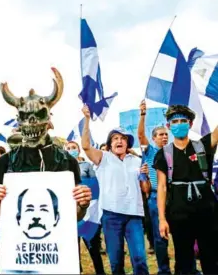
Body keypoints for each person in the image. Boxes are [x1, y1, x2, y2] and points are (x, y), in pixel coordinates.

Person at [0, 68, 91, 260]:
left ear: (49, 118)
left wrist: (83, 205)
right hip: (19, 252)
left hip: (56, 253)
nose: (32, 122)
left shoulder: (67, 161)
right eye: (26, 117)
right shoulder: (4, 162)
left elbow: (75, 215)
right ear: (18, 121)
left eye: (39, 115)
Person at [81, 104, 151, 275]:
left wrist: (145, 176)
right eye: (115, 139)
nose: (119, 141)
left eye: (123, 138)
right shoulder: (103, 158)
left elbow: (146, 190)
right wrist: (87, 119)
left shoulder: (136, 161)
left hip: (134, 215)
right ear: (110, 144)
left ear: (128, 143)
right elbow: (85, 146)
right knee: (116, 262)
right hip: (111, 216)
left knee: (140, 260)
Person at [155, 105, 218, 274]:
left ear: (190, 124)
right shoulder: (163, 154)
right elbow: (161, 187)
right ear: (169, 126)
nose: (179, 124)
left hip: (207, 211)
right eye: (175, 121)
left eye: (183, 121)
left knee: (211, 257)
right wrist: (162, 219)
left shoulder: (202, 146)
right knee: (183, 260)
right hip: (178, 213)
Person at [137, 99, 170, 274]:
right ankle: (164, 270)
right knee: (159, 237)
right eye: (160, 135)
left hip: (173, 196)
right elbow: (140, 135)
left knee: (180, 233)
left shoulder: (173, 151)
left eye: (166, 134)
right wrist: (143, 115)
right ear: (153, 138)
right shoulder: (149, 151)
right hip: (156, 197)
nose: (164, 137)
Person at [65, 141, 105, 275]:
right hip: (69, 212)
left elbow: (94, 185)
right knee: (72, 246)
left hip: (87, 212)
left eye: (74, 148)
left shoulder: (86, 165)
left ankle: (100, 271)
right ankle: (77, 270)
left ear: (79, 150)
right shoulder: (61, 167)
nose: (71, 150)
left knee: (92, 245)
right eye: (68, 148)